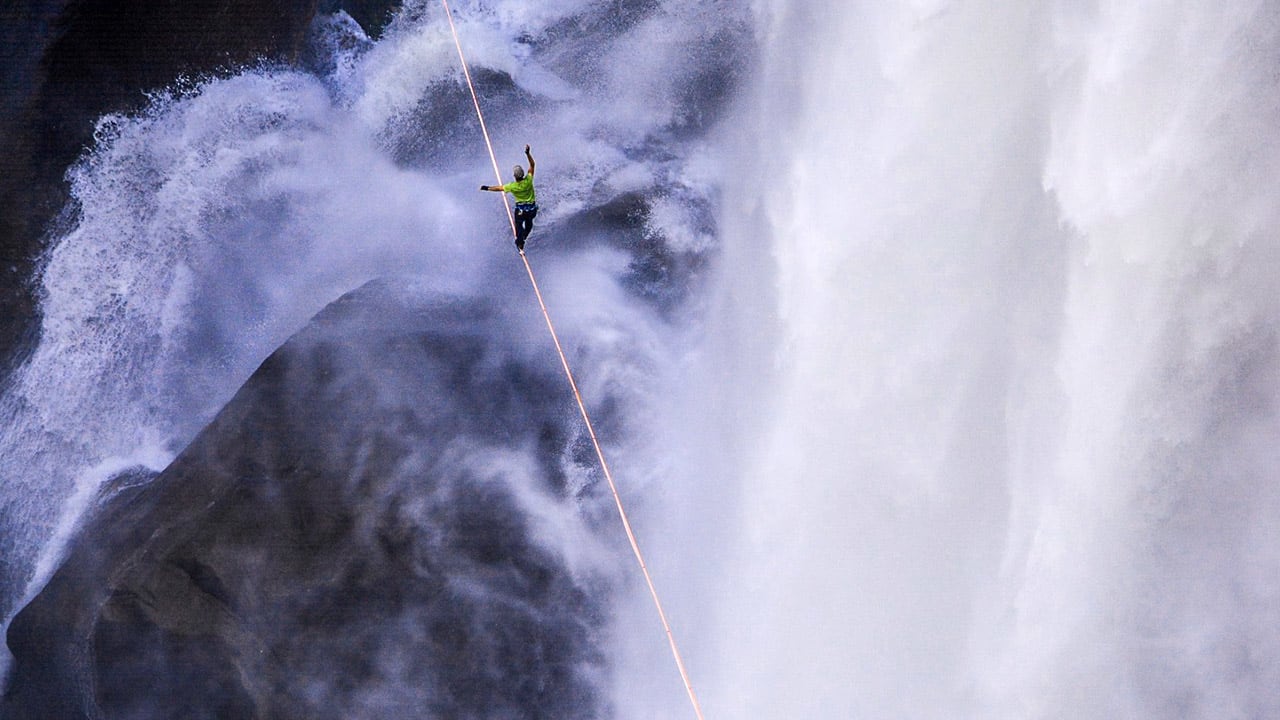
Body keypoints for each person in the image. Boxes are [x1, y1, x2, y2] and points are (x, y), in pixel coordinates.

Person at [480, 144, 537, 251]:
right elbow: (532, 165)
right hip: (532, 210)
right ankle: (523, 238)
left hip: (521, 211)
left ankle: (520, 243)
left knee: (519, 226)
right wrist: (528, 153)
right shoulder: (529, 180)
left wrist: (486, 188)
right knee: (529, 225)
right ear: (523, 174)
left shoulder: (512, 186)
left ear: (515, 176)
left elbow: (499, 188)